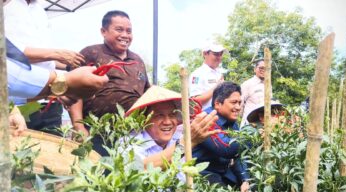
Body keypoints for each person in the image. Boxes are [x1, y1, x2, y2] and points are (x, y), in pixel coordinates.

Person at [68, 10, 150, 156]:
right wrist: (78, 125)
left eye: (129, 31)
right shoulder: (91, 53)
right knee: (97, 173)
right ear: (103, 31)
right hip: (96, 131)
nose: (125, 35)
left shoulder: (138, 60)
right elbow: (74, 90)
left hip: (131, 135)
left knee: (128, 175)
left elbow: (147, 95)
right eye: (119, 29)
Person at [4, 0, 86, 136]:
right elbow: (11, 52)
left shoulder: (40, 11)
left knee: (52, 152)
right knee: (20, 149)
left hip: (49, 102)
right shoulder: (7, 6)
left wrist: (69, 66)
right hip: (18, 103)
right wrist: (58, 54)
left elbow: (44, 58)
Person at [122, 86, 219, 170]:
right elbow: (139, 169)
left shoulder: (176, 138)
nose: (167, 122)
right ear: (144, 119)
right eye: (159, 115)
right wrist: (187, 142)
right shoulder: (129, 142)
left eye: (172, 115)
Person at [192, 82, 251, 192]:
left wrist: (245, 179)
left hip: (223, 172)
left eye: (239, 102)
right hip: (204, 174)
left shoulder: (232, 122)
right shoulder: (206, 120)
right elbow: (226, 148)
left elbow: (238, 154)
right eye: (234, 102)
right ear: (217, 104)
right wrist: (253, 134)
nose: (238, 107)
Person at [189, 42, 226, 109]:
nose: (219, 57)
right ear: (205, 53)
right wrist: (216, 87)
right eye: (216, 54)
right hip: (206, 116)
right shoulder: (197, 74)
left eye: (221, 54)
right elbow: (195, 101)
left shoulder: (219, 73)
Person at [240, 59, 269, 127]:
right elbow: (240, 104)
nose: (263, 70)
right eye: (261, 68)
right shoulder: (247, 84)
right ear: (255, 69)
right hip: (249, 125)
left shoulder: (268, 85)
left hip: (263, 125)